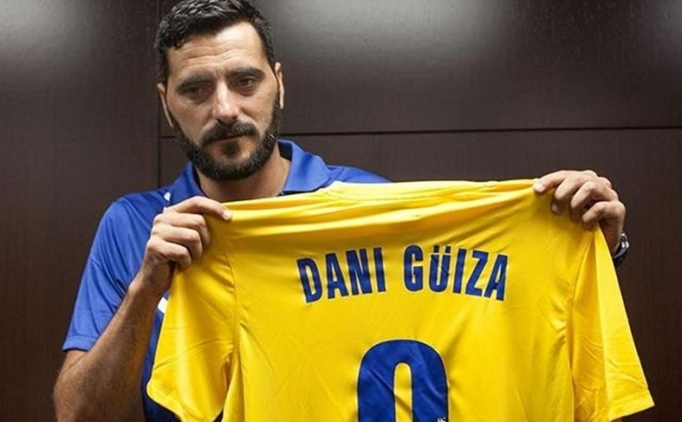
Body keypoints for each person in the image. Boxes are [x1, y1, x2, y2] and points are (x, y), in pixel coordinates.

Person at [53, 0, 631, 420]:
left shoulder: (367, 205)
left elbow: (483, 320)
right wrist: (147, 287)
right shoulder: (134, 227)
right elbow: (77, 415)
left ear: (279, 84)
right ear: (166, 103)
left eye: (245, 80)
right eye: (196, 89)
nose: (225, 108)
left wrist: (584, 247)